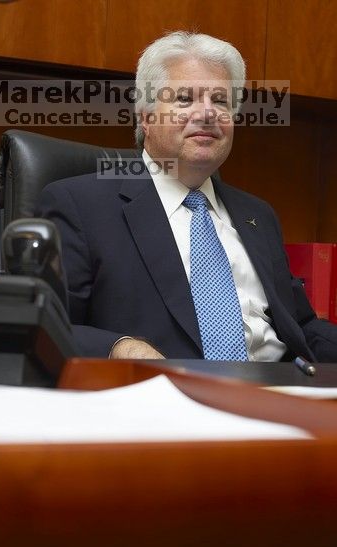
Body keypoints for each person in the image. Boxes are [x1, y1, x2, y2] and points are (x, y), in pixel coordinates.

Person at [36, 31, 337, 361]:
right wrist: (119, 347)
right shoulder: (80, 205)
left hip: (279, 394)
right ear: (146, 117)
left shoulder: (258, 215)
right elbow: (45, 325)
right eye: (185, 99)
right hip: (162, 397)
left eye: (220, 101)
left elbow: (302, 326)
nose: (208, 113)